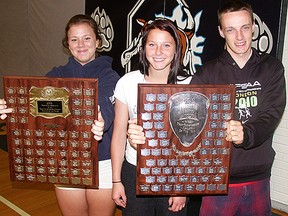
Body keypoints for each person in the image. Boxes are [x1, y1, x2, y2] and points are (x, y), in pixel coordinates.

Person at [127, 1, 286, 215]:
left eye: (245, 28)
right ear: (221, 31)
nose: (239, 36)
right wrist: (146, 135)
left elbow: (272, 113)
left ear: (253, 27)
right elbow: (184, 128)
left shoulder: (272, 67)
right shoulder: (206, 75)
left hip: (258, 175)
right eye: (231, 29)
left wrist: (246, 134)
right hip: (215, 179)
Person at [111, 19, 192, 216]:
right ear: (144, 48)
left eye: (166, 45)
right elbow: (119, 135)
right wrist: (116, 181)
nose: (158, 52)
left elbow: (193, 143)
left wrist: (182, 186)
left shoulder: (190, 84)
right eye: (152, 44)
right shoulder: (127, 82)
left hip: (174, 174)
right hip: (135, 170)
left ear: (176, 49)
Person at [46, 14, 120, 216]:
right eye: (74, 39)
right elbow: (35, 109)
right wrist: (11, 107)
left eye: (87, 38)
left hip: (103, 162)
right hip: (66, 160)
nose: (81, 44)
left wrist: (100, 120)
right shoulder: (55, 76)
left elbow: (106, 106)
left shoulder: (111, 77)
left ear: (97, 42)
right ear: (67, 44)